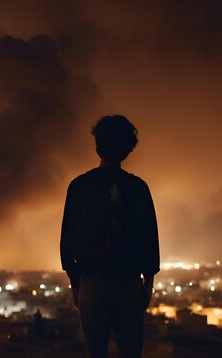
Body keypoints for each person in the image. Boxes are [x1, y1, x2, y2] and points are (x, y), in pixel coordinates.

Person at [60, 115, 160, 357]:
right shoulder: (138, 188)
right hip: (128, 285)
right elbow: (150, 238)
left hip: (92, 283)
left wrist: (76, 282)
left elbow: (67, 238)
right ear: (128, 148)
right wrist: (147, 283)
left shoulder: (80, 186)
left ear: (97, 145)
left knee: (95, 351)